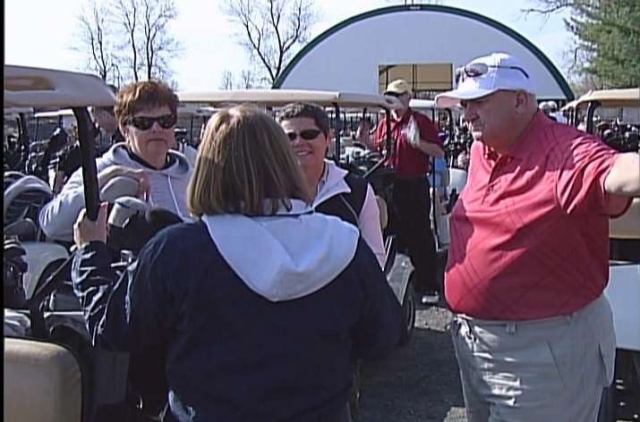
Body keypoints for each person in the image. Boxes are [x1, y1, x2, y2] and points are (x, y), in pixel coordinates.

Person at [72, 105, 403, 422]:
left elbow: (112, 329)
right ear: (283, 162)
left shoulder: (179, 252)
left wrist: (91, 253)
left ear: (207, 167)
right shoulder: (341, 243)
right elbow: (384, 337)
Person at [435, 52, 640, 422]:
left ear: (520, 100)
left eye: (479, 101)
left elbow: (619, 171)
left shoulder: (565, 151)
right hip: (480, 346)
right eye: (464, 103)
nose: (467, 113)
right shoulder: (485, 149)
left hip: (541, 355)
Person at [39, 79, 193, 242]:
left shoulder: (193, 176)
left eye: (165, 121)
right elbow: (50, 224)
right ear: (125, 130)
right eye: (144, 123)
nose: (156, 129)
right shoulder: (98, 169)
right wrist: (110, 176)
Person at [278, 102, 386, 268]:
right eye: (289, 137)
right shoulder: (267, 191)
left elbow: (375, 257)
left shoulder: (357, 191)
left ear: (328, 138)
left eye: (309, 134)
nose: (298, 142)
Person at [374, 79, 445, 304]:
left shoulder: (419, 121)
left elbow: (439, 152)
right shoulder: (385, 123)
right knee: (393, 233)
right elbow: (378, 149)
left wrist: (418, 143)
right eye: (390, 95)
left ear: (407, 97)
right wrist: (366, 141)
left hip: (414, 183)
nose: (394, 99)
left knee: (420, 235)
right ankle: (401, 283)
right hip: (390, 183)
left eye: (398, 95)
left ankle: (429, 286)